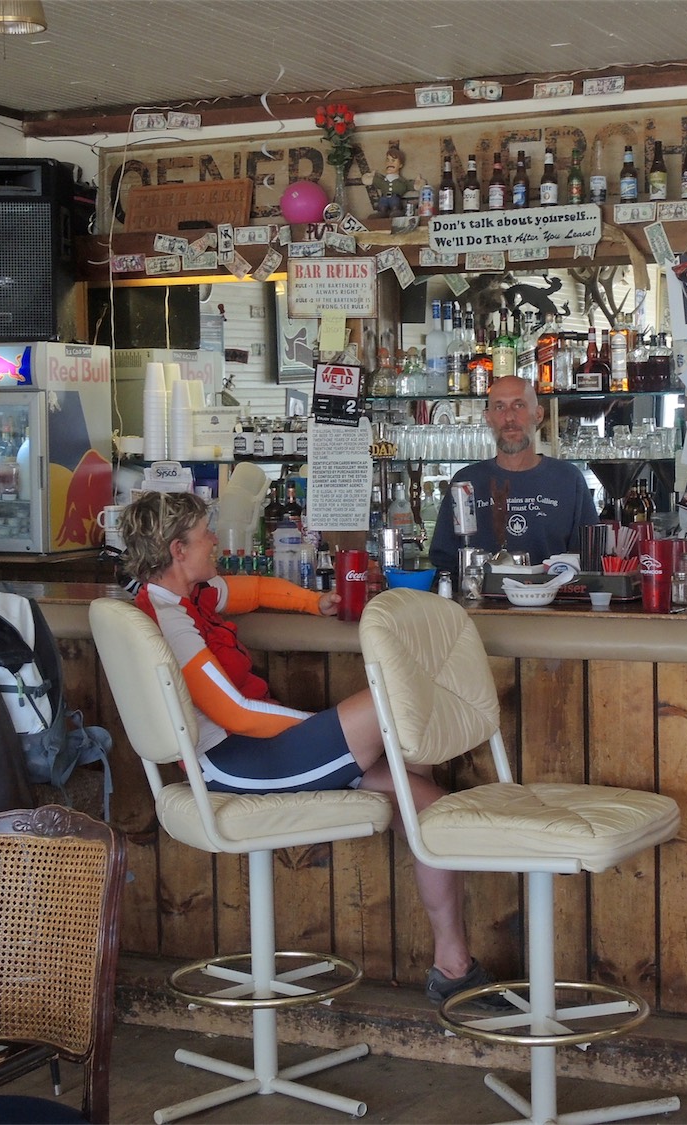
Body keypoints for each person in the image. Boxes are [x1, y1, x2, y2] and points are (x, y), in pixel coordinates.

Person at [117, 490, 498, 1006]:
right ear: (177, 549)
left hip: (260, 752)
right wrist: (323, 729)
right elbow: (237, 714)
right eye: (206, 534)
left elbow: (253, 589)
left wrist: (312, 602)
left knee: (427, 805)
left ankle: (454, 967)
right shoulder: (173, 622)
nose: (216, 541)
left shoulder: (191, 594)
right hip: (237, 763)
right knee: (392, 698)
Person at [428, 374, 599, 571]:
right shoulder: (466, 483)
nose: (509, 417)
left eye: (519, 405)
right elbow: (444, 564)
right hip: (479, 592)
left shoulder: (568, 479)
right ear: (488, 418)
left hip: (555, 591)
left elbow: (590, 559)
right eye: (499, 407)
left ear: (538, 414)